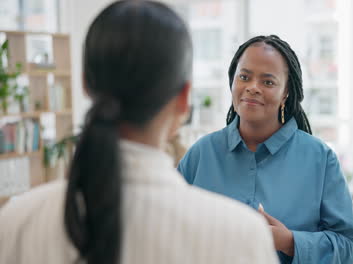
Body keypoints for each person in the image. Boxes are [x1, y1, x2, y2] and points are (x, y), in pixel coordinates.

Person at [0, 2, 278, 264]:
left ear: (85, 84)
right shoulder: (242, 237)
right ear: (183, 99)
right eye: (245, 77)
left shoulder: (17, 222)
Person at [178, 35, 353, 264]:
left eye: (268, 82)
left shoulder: (320, 159)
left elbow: (349, 244)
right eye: (244, 77)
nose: (252, 88)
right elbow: (166, 226)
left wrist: (290, 242)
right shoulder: (201, 153)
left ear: (286, 92)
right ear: (232, 81)